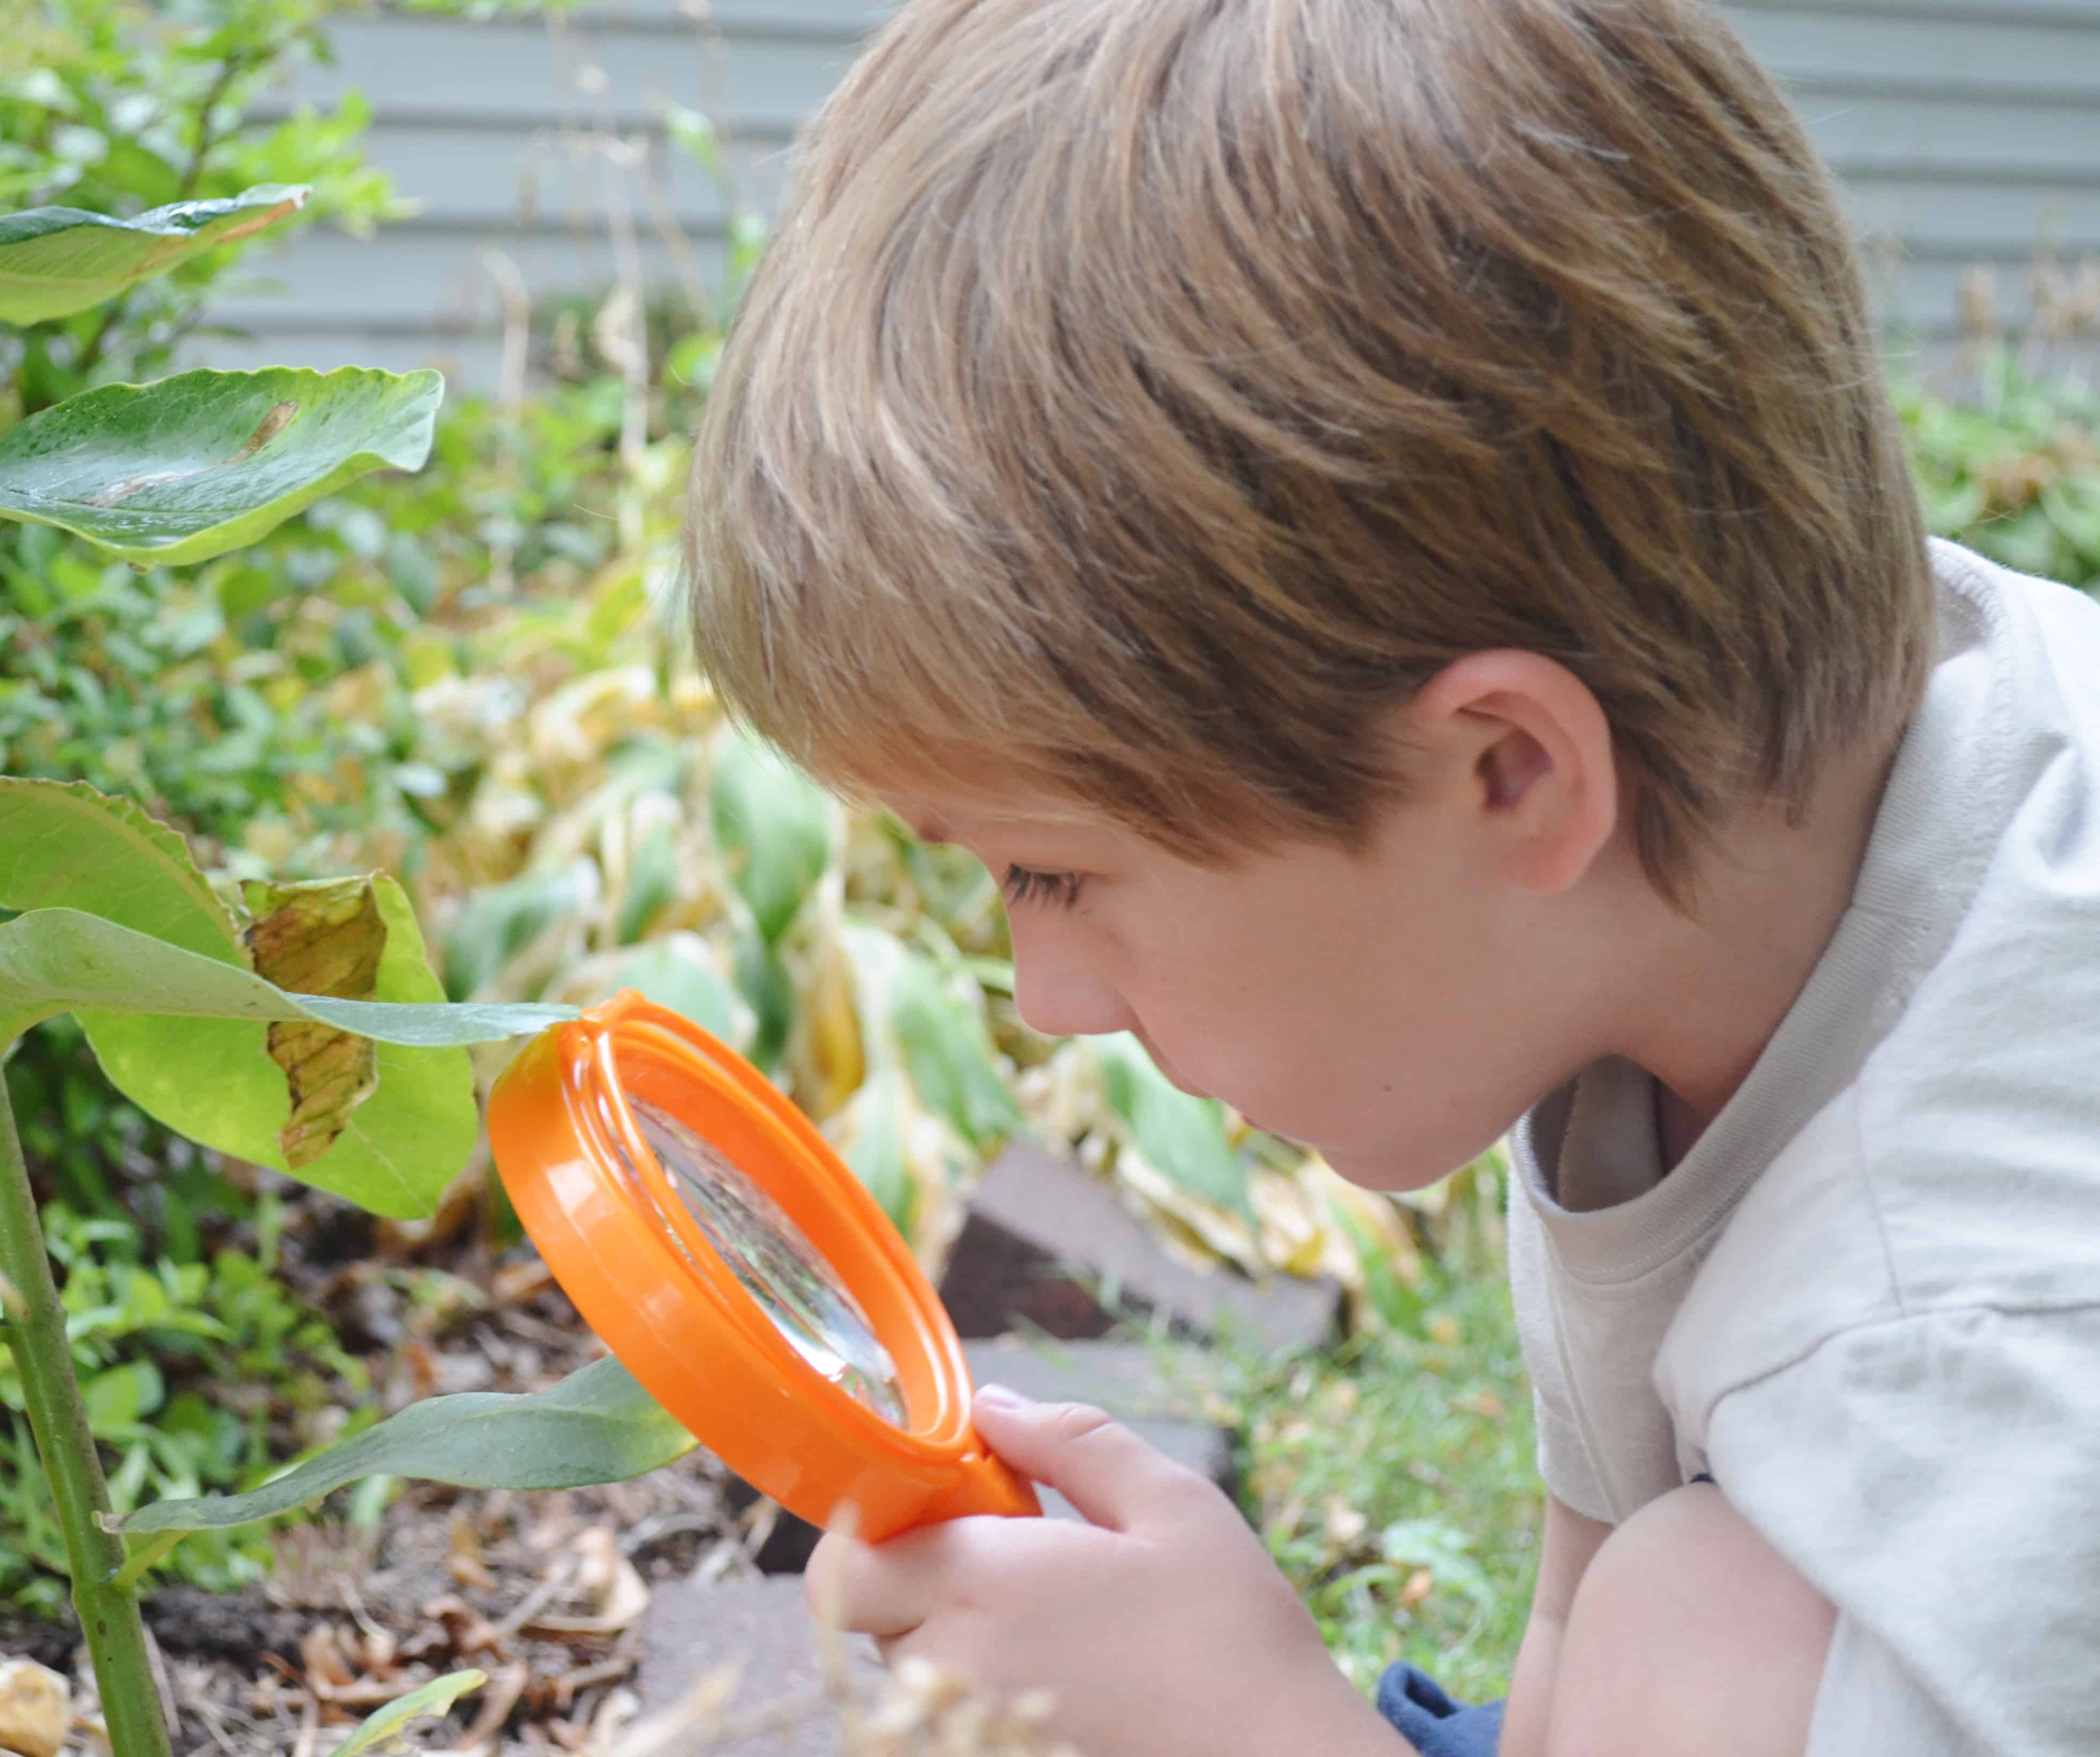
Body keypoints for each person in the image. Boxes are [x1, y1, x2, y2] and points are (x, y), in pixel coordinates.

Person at [674, 0, 2100, 1751]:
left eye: (1054, 876)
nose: (1044, 996)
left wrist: (1266, 1731)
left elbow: (1647, 1629)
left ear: (1511, 773)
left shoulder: (1976, 1339)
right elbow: (1588, 1596)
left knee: (1708, 1627)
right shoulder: (1696, 883)